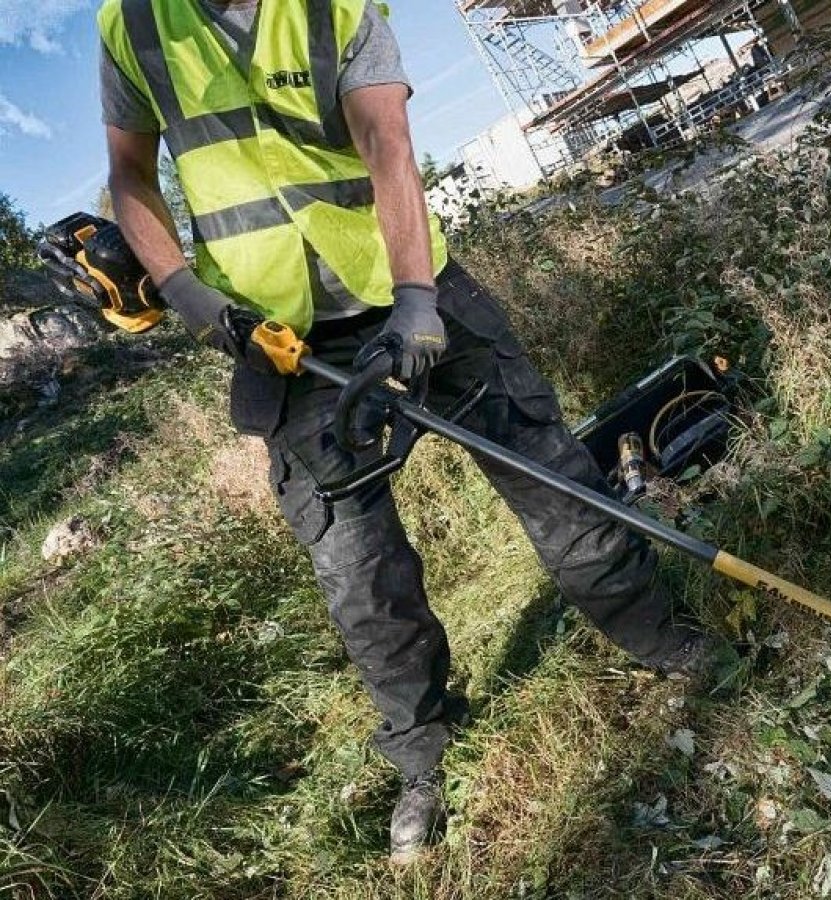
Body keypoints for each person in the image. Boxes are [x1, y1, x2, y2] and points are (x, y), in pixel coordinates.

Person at [98, 0, 725, 864]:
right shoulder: (130, 26)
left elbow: (385, 139)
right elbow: (129, 175)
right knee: (358, 574)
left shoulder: (332, 5)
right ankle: (423, 756)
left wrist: (418, 299)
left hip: (413, 290)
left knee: (553, 479)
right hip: (279, 341)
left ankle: (660, 638)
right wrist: (188, 294)